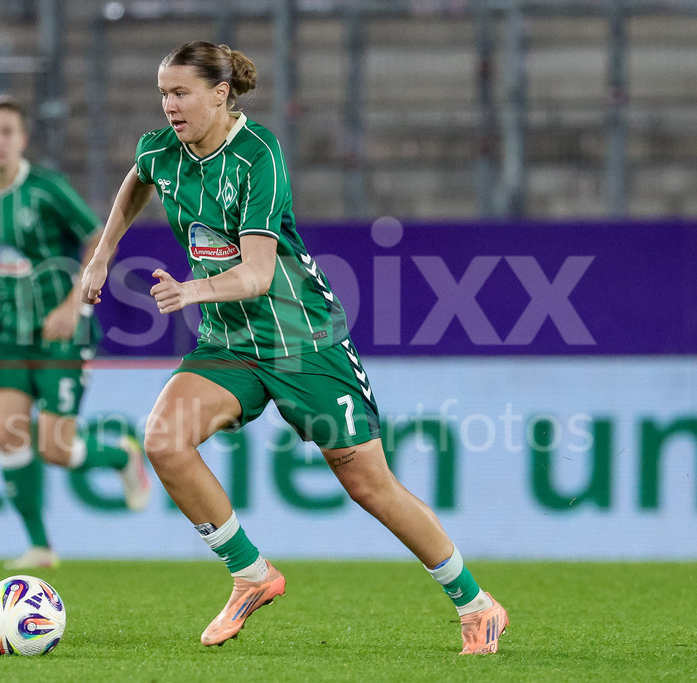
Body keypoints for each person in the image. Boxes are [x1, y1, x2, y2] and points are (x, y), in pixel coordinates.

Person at [80, 42, 508, 653]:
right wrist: (101, 257)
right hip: (231, 341)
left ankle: (476, 603)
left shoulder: (260, 157)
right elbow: (136, 182)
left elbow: (256, 274)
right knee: (163, 440)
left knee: (367, 484)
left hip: (301, 338)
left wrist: (191, 290)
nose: (170, 105)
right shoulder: (159, 149)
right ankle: (251, 575)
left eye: (182, 92)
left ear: (220, 93)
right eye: (163, 94)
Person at [0, 94, 151, 570]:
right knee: (9, 435)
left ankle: (120, 457)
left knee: (55, 449)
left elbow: (99, 237)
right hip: (9, 336)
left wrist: (73, 302)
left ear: (22, 139)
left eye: (6, 132)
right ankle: (40, 546)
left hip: (62, 335)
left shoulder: (47, 188)